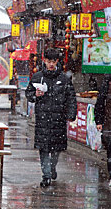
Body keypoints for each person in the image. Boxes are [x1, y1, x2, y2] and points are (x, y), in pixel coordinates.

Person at [25, 48, 77, 187]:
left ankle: (52, 168)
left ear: (57, 62)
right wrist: (35, 95)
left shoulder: (64, 79)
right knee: (43, 149)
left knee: (56, 149)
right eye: (48, 61)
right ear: (44, 61)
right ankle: (46, 176)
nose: (51, 64)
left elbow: (71, 98)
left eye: (53, 61)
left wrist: (71, 115)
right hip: (42, 119)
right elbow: (28, 94)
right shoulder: (37, 77)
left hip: (59, 120)